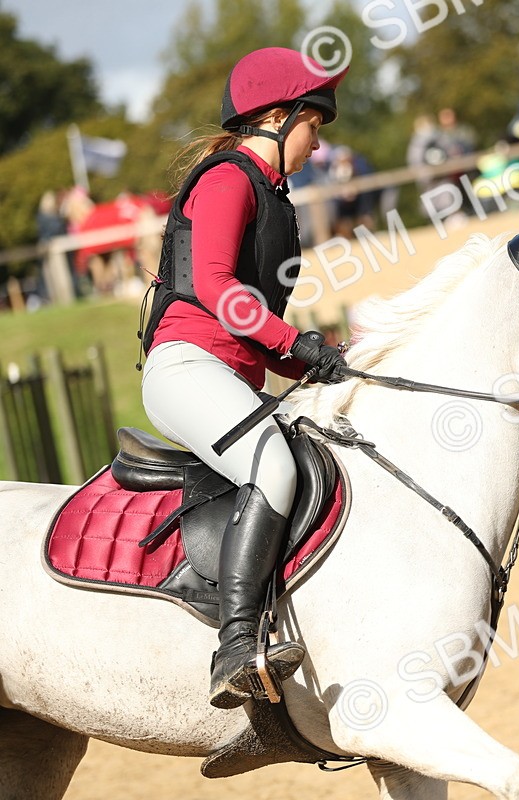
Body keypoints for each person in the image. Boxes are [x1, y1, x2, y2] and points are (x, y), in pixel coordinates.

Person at [138, 47, 350, 709]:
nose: (318, 147)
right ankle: (234, 647)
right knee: (276, 470)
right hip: (185, 369)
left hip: (232, 375)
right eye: (315, 127)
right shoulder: (227, 179)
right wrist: (296, 341)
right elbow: (216, 288)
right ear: (278, 116)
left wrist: (318, 359)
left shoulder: (273, 199)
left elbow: (253, 328)